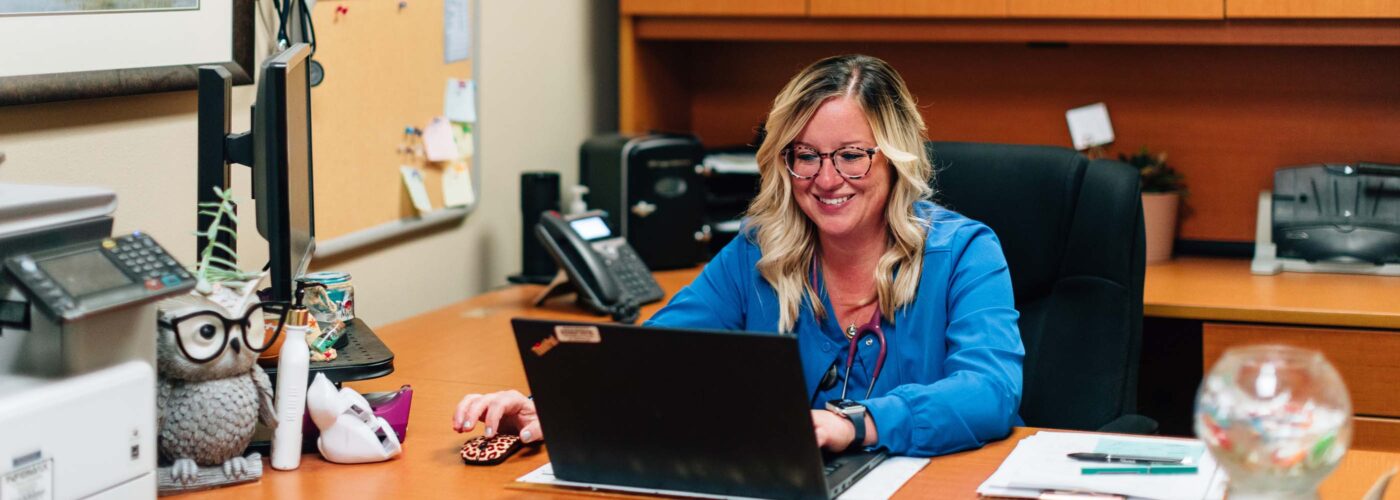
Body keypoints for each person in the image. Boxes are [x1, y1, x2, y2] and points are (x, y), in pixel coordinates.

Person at [453, 54, 1024, 457]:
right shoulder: (760, 251)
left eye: (852, 155)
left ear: (895, 160)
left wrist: (859, 423)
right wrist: (550, 403)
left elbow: (989, 391)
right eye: (805, 155)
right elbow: (657, 354)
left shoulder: (965, 253)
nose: (827, 179)